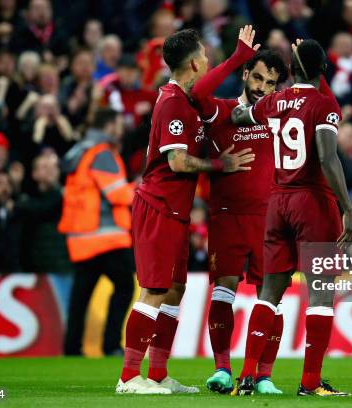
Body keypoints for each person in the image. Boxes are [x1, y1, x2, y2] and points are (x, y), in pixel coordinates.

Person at [116, 26, 257, 395]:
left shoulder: (185, 97)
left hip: (175, 210)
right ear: (194, 63)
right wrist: (219, 166)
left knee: (176, 289)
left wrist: (238, 58)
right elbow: (177, 162)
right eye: (205, 57)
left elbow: (205, 87)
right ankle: (130, 377)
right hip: (158, 206)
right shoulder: (174, 103)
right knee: (154, 290)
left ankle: (158, 373)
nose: (208, 63)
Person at [231, 39, 352, 396]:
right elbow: (329, 159)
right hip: (311, 201)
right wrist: (347, 208)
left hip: (277, 203)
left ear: (292, 71)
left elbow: (240, 115)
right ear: (322, 72)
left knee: (270, 293)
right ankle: (310, 383)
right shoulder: (324, 104)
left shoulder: (274, 100)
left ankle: (247, 378)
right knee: (320, 293)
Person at [190, 49, 288, 394]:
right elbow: (197, 93)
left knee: (270, 297)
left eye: (271, 83)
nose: (263, 87)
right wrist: (235, 58)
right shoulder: (222, 110)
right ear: (246, 75)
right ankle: (222, 369)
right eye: (258, 77)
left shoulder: (278, 118)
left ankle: (264, 376)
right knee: (224, 287)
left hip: (270, 220)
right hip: (227, 217)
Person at [58, 108, 135, 356]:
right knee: (125, 287)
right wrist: (141, 188)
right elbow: (118, 194)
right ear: (110, 126)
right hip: (107, 237)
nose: (121, 130)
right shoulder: (102, 154)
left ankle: (72, 348)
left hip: (80, 239)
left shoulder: (79, 151)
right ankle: (111, 344)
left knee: (81, 296)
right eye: (118, 124)